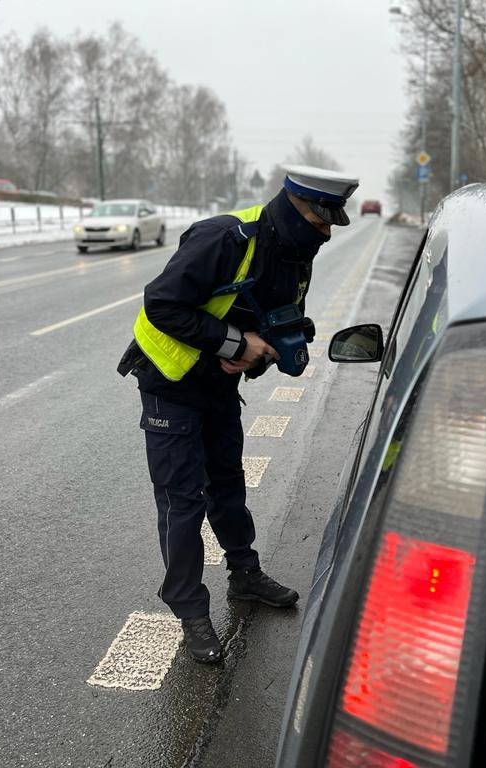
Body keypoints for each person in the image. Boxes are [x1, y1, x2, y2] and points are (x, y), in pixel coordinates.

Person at [118, 166, 359, 663]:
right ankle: (190, 610)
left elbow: (267, 316)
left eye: (331, 223)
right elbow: (161, 305)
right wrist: (233, 344)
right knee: (182, 500)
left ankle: (245, 574)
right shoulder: (226, 238)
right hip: (170, 382)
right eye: (320, 222)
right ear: (295, 209)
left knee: (227, 483)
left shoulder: (296, 256)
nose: (326, 233)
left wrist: (269, 350)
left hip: (217, 385)